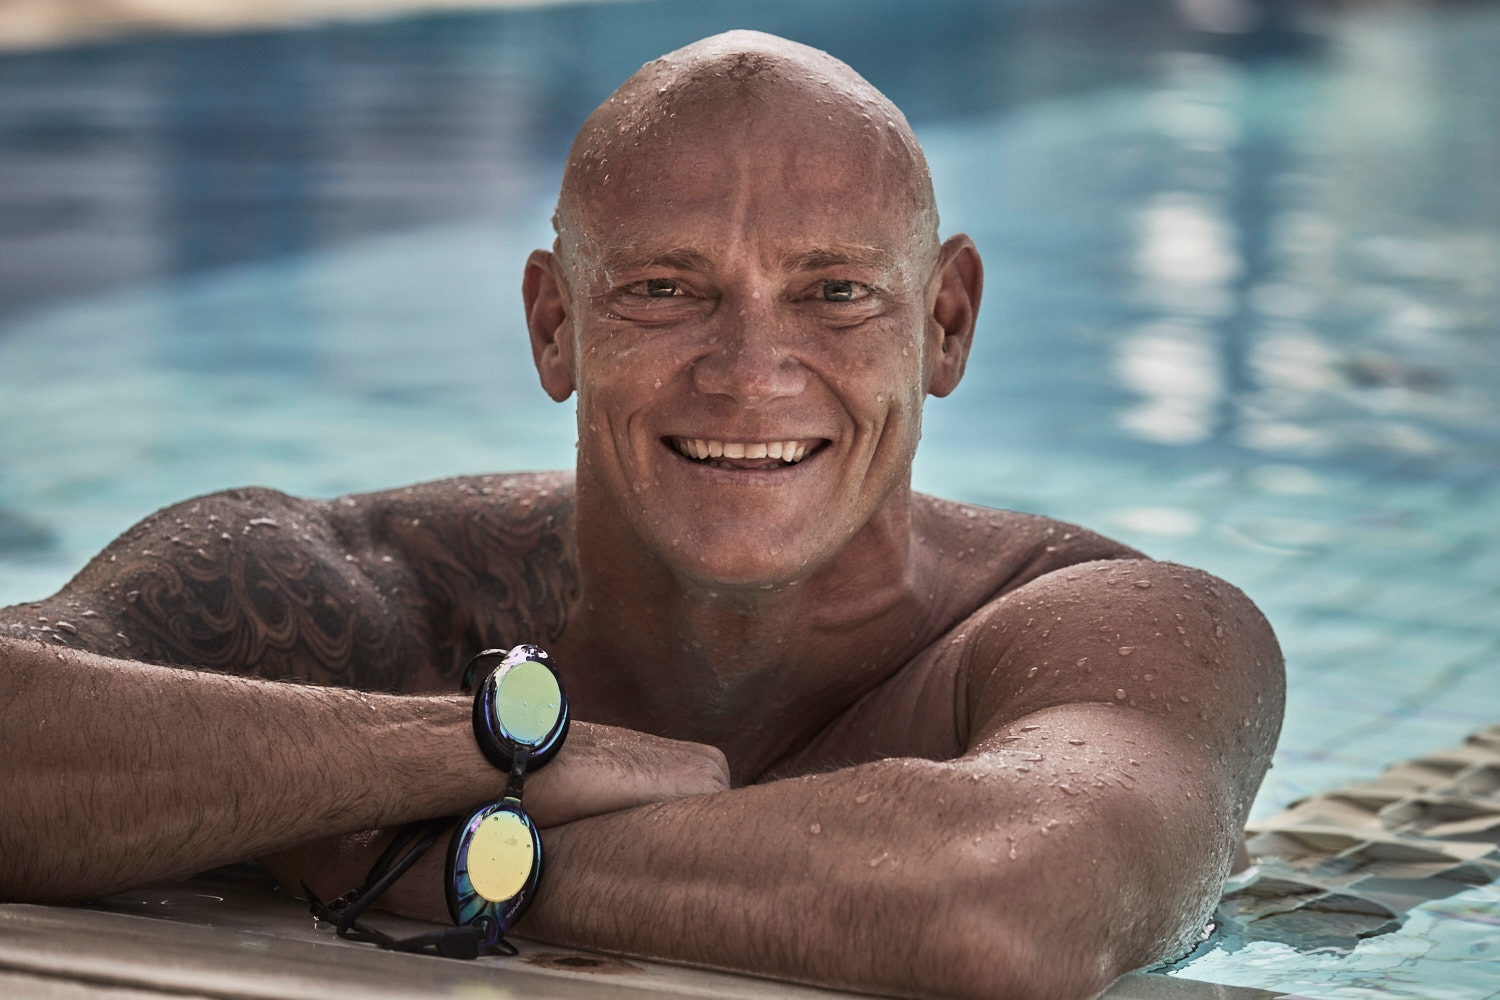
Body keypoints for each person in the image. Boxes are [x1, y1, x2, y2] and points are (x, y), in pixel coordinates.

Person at [0, 30, 1283, 1000]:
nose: (749, 372)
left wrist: (398, 852)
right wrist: (472, 751)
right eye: (666, 290)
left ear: (944, 322)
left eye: (836, 292)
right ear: (555, 323)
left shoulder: (1106, 626)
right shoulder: (348, 587)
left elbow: (999, 903)